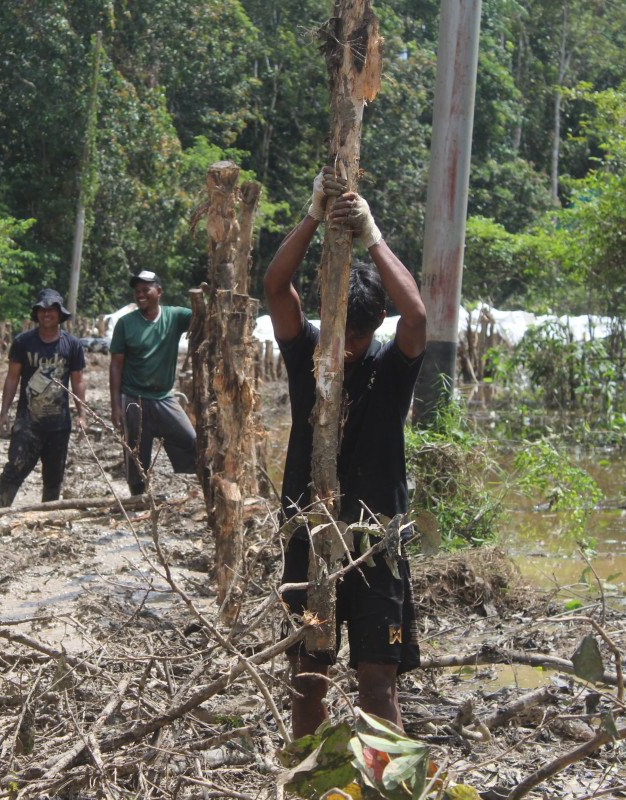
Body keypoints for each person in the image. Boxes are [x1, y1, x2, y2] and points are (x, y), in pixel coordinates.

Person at [262, 171, 427, 737]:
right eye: (339, 330)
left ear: (375, 324)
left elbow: (417, 316)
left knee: (378, 682)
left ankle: (385, 778)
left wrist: (372, 235)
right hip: (311, 543)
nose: (346, 347)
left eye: (357, 336)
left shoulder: (391, 369)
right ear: (325, 316)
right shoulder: (308, 354)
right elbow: (275, 288)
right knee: (308, 675)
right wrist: (313, 215)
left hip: (375, 547)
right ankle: (310, 774)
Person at [0, 288, 87, 508]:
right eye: (42, 310)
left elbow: (78, 381)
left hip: (59, 425)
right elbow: (12, 378)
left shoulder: (72, 345)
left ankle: (48, 518)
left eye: (51, 309)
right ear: (36, 314)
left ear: (59, 314)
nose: (46, 314)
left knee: (54, 479)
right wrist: (4, 412)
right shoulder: (23, 342)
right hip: (28, 423)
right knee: (13, 471)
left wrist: (82, 414)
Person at [109, 270, 197, 496]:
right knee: (136, 453)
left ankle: (194, 482)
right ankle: (137, 498)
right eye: (137, 291)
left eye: (145, 290)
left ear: (159, 291)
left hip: (163, 397)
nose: (140, 294)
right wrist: (116, 406)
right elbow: (116, 365)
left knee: (190, 440)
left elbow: (204, 315)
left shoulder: (174, 316)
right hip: (133, 398)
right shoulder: (125, 323)